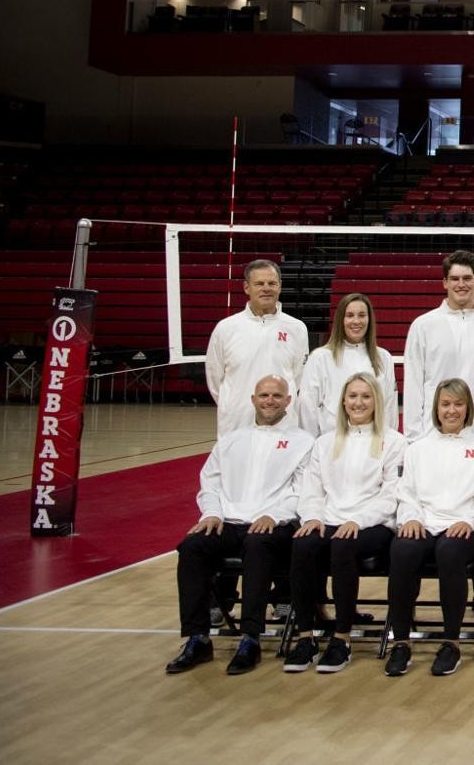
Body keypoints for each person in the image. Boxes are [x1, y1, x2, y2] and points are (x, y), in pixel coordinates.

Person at [165, 376, 313, 675]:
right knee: (193, 546)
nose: (269, 400)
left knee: (258, 545)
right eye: (263, 395)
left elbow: (304, 490)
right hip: (229, 521)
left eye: (276, 395)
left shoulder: (303, 442)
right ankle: (197, 638)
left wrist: (274, 514)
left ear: (288, 400)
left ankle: (250, 638)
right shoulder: (232, 440)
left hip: (275, 523)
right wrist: (211, 513)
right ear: (253, 399)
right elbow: (211, 483)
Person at [284, 374, 405, 674]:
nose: (358, 402)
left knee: (342, 544)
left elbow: (392, 495)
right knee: (303, 544)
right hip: (329, 518)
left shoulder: (394, 441)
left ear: (377, 401)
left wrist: (357, 520)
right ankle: (305, 636)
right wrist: (312, 517)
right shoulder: (325, 443)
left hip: (373, 524)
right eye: (352, 396)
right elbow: (312, 489)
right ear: (343, 402)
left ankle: (341, 637)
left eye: (365, 396)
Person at [383, 379, 474, 678]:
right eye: (445, 404)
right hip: (424, 522)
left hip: (464, 528)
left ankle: (451, 642)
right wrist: (410, 517)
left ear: (467, 408)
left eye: (458, 404)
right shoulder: (418, 449)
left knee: (450, 551)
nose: (452, 410)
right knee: (403, 549)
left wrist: (469, 521)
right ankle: (401, 641)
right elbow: (406, 492)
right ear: (436, 408)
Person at [401, 250, 474, 443]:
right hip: (432, 435)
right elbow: (413, 384)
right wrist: (413, 438)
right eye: (455, 279)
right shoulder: (423, 325)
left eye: (467, 278)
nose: (461, 284)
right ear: (445, 283)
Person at [204, 258, 308, 437]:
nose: (266, 288)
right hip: (236, 422)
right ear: (246, 288)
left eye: (272, 283)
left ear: (280, 286)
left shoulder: (297, 328)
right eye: (259, 283)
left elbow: (298, 377)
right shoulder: (226, 328)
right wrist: (233, 404)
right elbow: (214, 378)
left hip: (282, 422)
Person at [297, 292, 394, 437]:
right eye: (350, 315)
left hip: (373, 442)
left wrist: (385, 441)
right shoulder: (320, 357)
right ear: (341, 320)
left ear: (369, 319)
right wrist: (314, 444)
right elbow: (307, 407)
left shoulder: (383, 358)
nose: (356, 321)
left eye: (361, 315)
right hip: (331, 442)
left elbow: (389, 406)